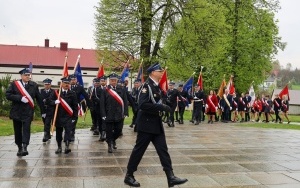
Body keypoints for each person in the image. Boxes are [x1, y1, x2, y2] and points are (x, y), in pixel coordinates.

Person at [124, 62, 188, 187]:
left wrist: (167, 106)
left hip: (156, 124)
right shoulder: (146, 87)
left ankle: (170, 177)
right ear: (153, 72)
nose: (161, 72)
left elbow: (162, 101)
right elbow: (142, 105)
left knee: (163, 150)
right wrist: (161, 107)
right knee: (139, 150)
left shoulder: (157, 87)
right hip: (146, 125)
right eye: (159, 71)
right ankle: (129, 175)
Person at [6, 68, 44, 156]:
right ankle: (19, 146)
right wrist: (19, 98)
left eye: (28, 75)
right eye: (26, 75)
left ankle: (25, 146)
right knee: (18, 130)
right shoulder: (15, 84)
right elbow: (8, 95)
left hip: (28, 112)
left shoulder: (34, 85)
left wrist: (43, 111)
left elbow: (39, 98)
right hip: (17, 112)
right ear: (21, 76)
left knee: (26, 129)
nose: (28, 77)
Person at [49, 76, 78, 154]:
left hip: (68, 116)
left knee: (68, 131)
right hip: (58, 116)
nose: (66, 85)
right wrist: (54, 102)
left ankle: (67, 147)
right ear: (61, 84)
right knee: (59, 132)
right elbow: (48, 101)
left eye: (68, 83)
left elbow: (75, 106)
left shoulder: (72, 93)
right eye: (65, 83)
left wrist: (74, 117)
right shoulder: (56, 93)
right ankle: (59, 147)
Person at [100, 73, 128, 153]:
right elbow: (102, 103)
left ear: (117, 81)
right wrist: (103, 114)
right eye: (112, 80)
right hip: (109, 114)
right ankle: (109, 145)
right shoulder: (105, 90)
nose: (113, 82)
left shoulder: (121, 89)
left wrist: (125, 112)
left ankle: (112, 140)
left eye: (115, 80)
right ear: (109, 81)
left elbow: (125, 101)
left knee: (118, 130)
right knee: (108, 131)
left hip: (119, 114)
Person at [69, 74, 91, 141]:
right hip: (67, 106)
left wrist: (90, 104)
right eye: (72, 80)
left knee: (74, 119)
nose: (73, 81)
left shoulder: (80, 87)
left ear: (76, 80)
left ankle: (72, 133)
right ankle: (68, 132)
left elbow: (86, 96)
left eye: (74, 79)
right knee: (67, 120)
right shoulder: (66, 86)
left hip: (76, 106)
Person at [40, 78, 55, 142]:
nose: (47, 86)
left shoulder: (53, 92)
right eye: (46, 84)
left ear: (50, 85)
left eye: (48, 84)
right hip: (43, 110)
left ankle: (45, 136)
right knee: (45, 123)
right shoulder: (41, 91)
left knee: (47, 123)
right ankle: (48, 135)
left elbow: (52, 100)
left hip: (50, 109)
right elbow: (39, 100)